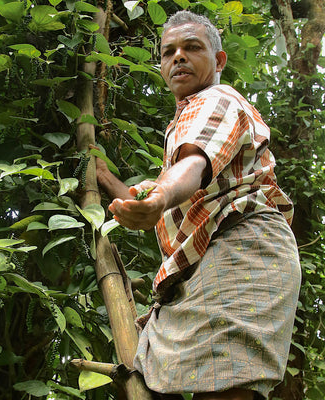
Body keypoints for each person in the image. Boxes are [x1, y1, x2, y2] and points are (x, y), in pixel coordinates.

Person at [94, 10, 301, 400]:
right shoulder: (184, 126)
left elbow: (193, 165)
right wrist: (105, 178)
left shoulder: (215, 99)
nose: (178, 58)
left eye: (192, 48)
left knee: (226, 388)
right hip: (203, 266)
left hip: (242, 252)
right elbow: (158, 192)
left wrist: (161, 196)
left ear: (218, 60)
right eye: (169, 51)